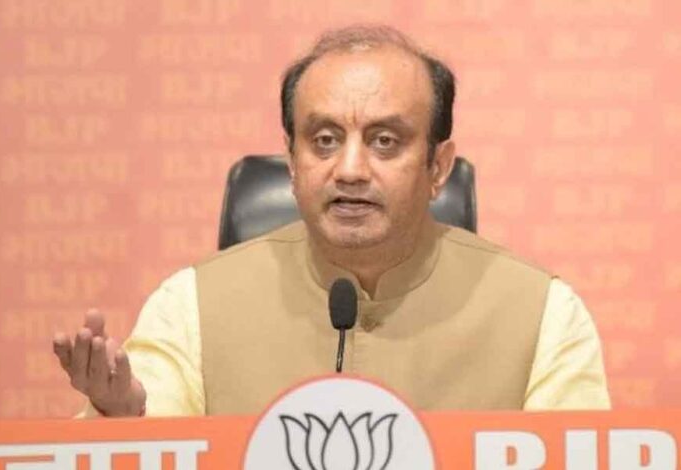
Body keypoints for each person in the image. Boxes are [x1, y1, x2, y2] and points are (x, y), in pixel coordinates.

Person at [52, 25, 610, 417]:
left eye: (384, 141)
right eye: (323, 140)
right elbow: (146, 431)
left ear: (438, 167)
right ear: (293, 163)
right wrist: (123, 423)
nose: (349, 169)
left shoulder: (542, 314)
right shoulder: (191, 305)